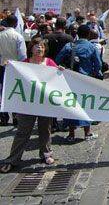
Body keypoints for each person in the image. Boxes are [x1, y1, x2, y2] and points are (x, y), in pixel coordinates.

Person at [0, 38, 61, 173]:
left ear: (45, 50)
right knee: (23, 131)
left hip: (45, 103)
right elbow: (15, 75)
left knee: (45, 130)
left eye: (42, 46)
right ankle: (12, 159)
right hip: (27, 105)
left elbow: (58, 78)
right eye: (36, 46)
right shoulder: (25, 63)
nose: (39, 48)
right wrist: (8, 65)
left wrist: (60, 70)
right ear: (31, 49)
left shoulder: (50, 62)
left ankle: (46, 154)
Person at [56, 25, 102, 142]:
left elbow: (57, 60)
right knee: (86, 104)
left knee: (70, 105)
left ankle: (71, 134)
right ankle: (87, 133)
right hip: (85, 79)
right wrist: (97, 74)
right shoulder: (92, 47)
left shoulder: (69, 46)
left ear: (77, 34)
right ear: (88, 35)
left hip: (70, 79)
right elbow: (98, 64)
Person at [0, 15, 27, 126]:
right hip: (15, 67)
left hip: (2, 65)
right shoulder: (18, 37)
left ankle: (4, 116)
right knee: (15, 91)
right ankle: (16, 116)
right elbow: (22, 55)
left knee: (2, 91)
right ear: (16, 24)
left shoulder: (0, 35)